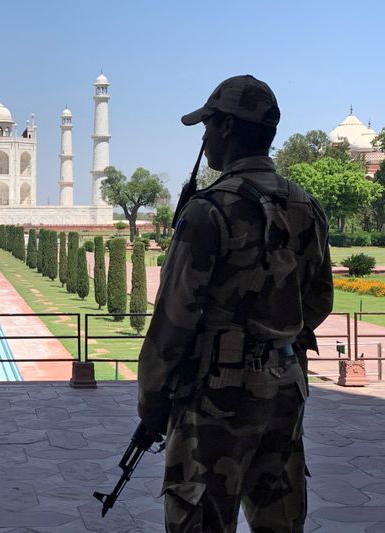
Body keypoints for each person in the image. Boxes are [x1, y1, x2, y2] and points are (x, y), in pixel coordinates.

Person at [136, 75, 333, 532]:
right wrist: (274, 334)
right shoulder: (306, 205)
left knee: (200, 518)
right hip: (285, 388)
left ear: (226, 127)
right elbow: (319, 299)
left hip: (214, 399)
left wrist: (152, 403)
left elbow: (174, 320)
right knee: (280, 520)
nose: (203, 138)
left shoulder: (210, 210)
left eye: (207, 126)